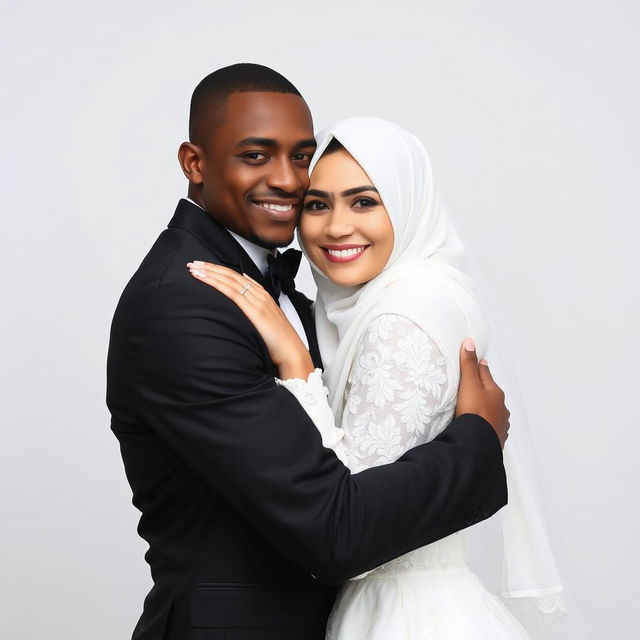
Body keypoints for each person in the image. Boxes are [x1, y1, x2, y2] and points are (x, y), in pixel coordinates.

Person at [107, 64, 510, 640]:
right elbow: (334, 529)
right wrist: (479, 438)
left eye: (300, 157)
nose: (289, 181)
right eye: (255, 155)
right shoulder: (184, 305)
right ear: (194, 163)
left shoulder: (287, 293)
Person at [190, 116, 565, 638]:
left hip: (404, 614)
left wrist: (297, 368)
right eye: (318, 205)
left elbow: (352, 525)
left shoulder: (401, 316)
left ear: (409, 205)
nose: (337, 226)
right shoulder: (426, 292)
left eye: (364, 201)